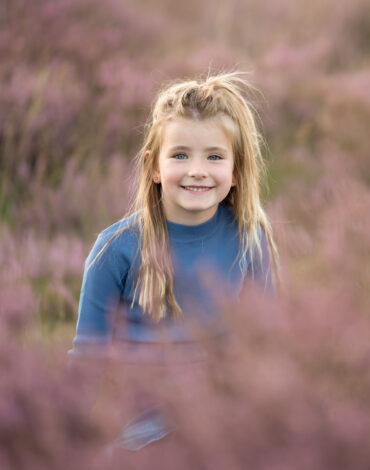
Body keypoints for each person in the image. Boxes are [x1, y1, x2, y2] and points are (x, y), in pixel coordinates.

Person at [68, 71, 278, 452]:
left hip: (227, 431)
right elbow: (87, 361)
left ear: (235, 171)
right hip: (142, 441)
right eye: (180, 155)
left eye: (214, 156)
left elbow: (268, 346)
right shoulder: (116, 249)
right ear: (154, 166)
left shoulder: (250, 239)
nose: (197, 170)